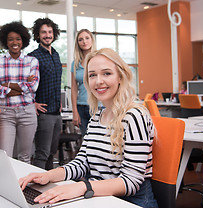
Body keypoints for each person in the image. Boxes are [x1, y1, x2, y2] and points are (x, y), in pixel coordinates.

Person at [19, 48, 158, 208]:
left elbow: (131, 182)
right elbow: (82, 162)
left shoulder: (134, 116)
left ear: (120, 76)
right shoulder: (97, 116)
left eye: (106, 73)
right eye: (92, 75)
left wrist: (81, 187)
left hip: (131, 202)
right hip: (99, 196)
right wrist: (48, 175)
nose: (98, 81)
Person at [0, 21, 39, 164]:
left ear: (23, 41)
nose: (15, 42)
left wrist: (8, 85)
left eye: (18, 39)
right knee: (4, 157)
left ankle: (24, 186)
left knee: (25, 157)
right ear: (6, 42)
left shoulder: (32, 61)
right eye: (11, 39)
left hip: (27, 113)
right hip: (6, 114)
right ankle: (7, 186)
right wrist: (23, 88)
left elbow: (33, 87)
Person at [28, 18, 62, 170]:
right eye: (43, 32)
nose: (47, 35)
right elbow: (25, 84)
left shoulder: (56, 55)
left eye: (50, 32)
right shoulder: (32, 56)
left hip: (56, 112)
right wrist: (32, 103)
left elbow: (56, 81)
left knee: (51, 153)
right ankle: (36, 187)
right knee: (42, 153)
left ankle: (49, 183)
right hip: (43, 113)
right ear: (38, 35)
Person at [71, 29, 96, 135]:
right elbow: (73, 88)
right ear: (77, 43)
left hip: (98, 106)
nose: (84, 42)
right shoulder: (75, 63)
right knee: (86, 142)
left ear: (92, 40)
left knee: (100, 140)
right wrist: (75, 111)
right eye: (80, 39)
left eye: (87, 38)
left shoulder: (99, 59)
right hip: (81, 108)